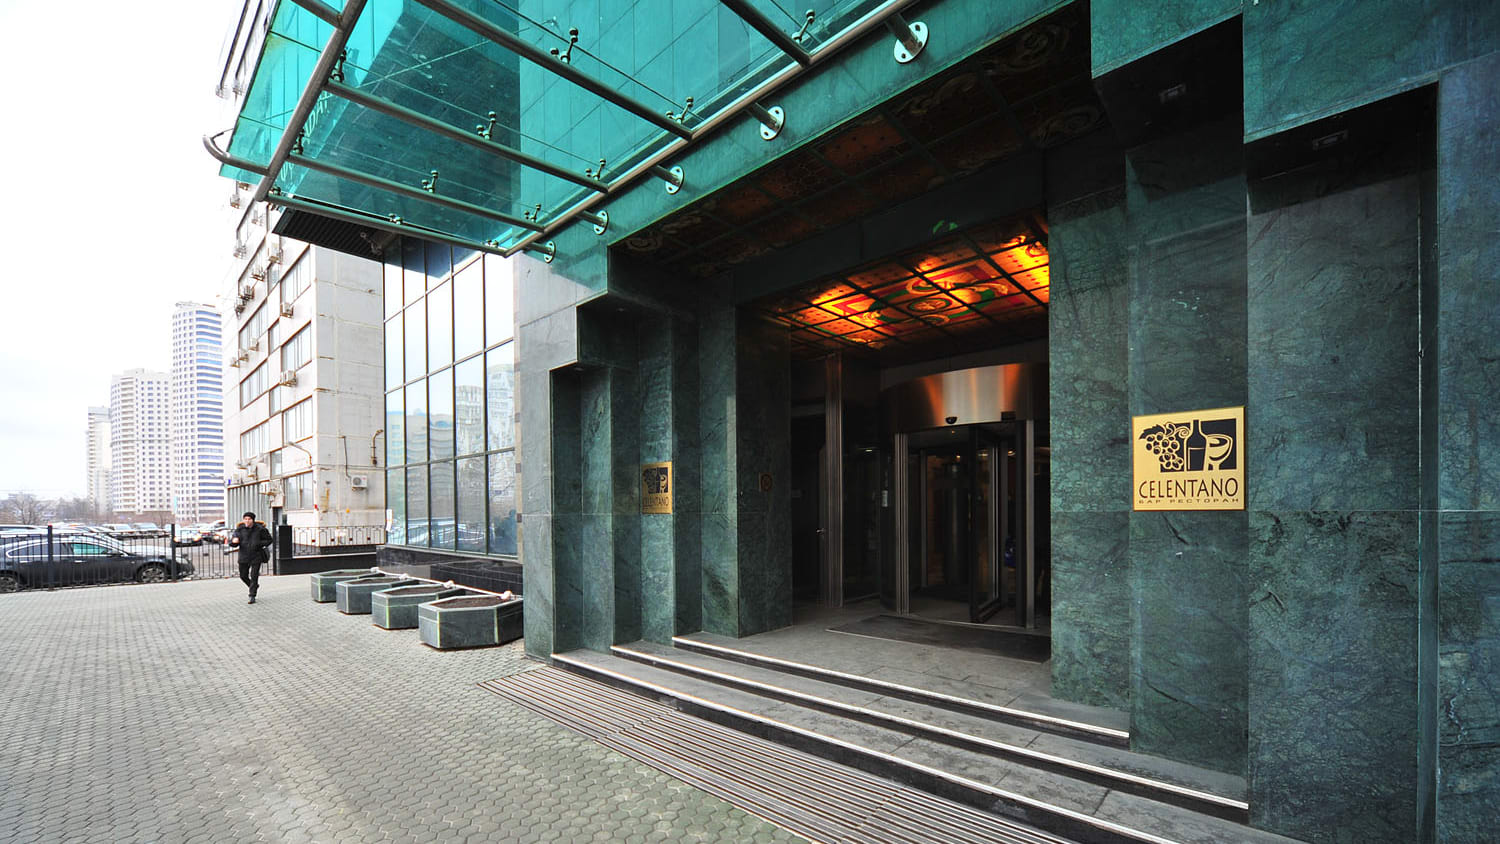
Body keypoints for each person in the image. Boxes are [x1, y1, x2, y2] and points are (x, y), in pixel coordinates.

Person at [226, 511, 273, 604]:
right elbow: (233, 542)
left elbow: (269, 540)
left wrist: (258, 543)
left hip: (256, 555)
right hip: (243, 556)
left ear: (253, 520)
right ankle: (254, 586)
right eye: (245, 519)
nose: (247, 521)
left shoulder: (260, 529)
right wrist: (233, 542)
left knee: (254, 576)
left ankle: (252, 595)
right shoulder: (239, 530)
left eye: (249, 519)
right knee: (243, 576)